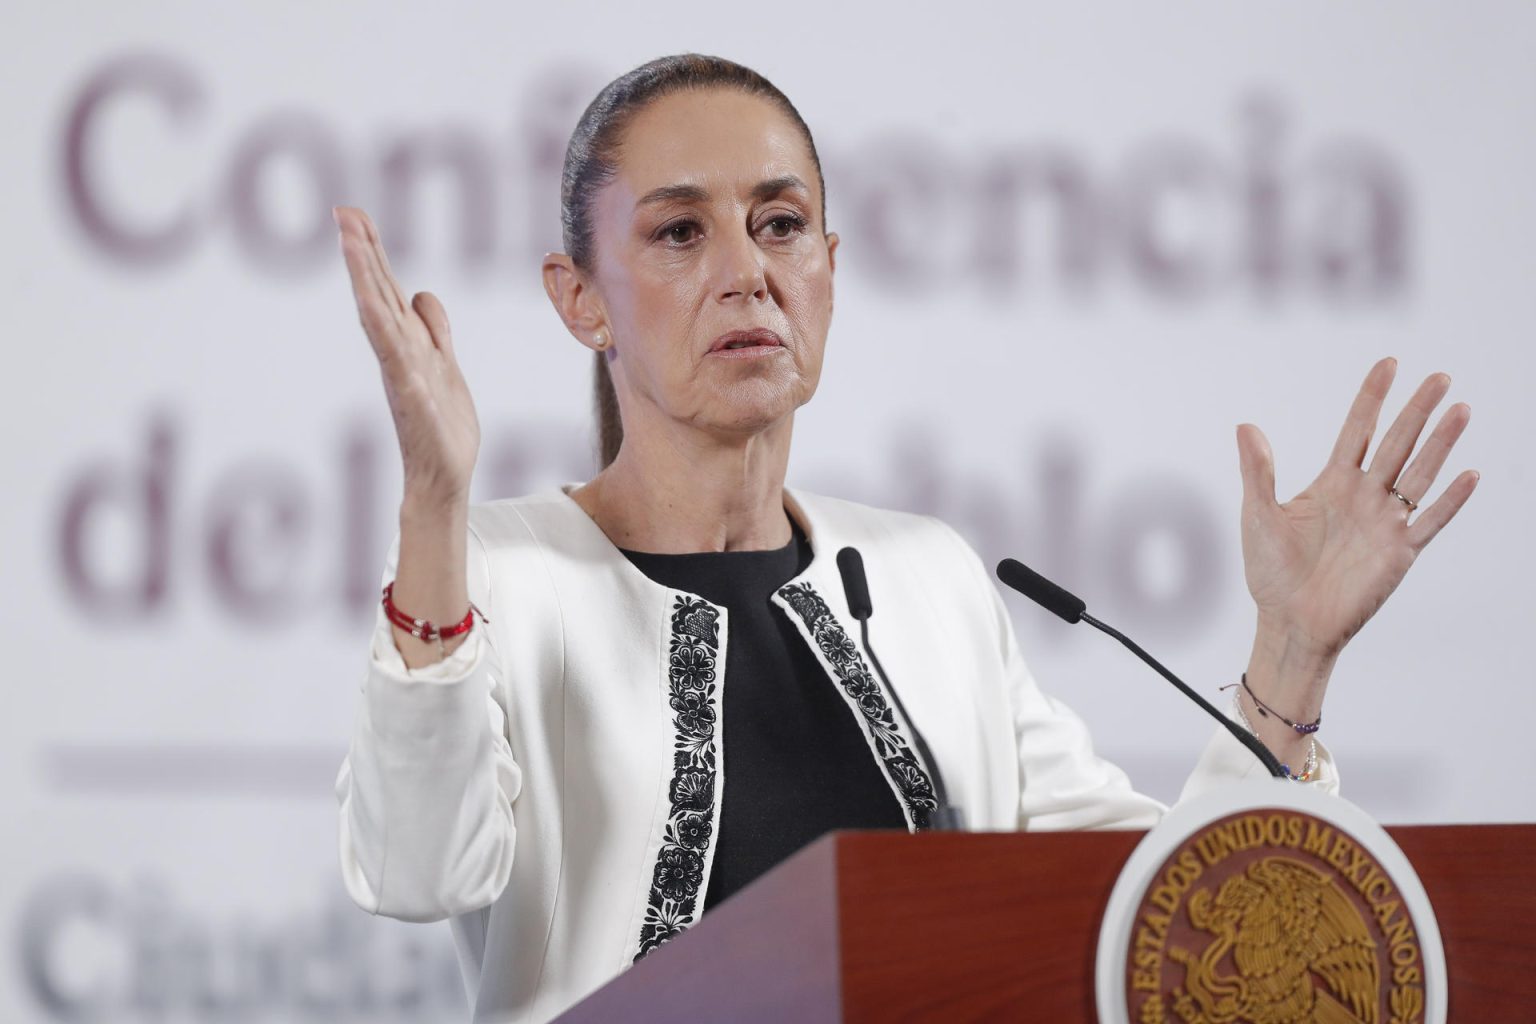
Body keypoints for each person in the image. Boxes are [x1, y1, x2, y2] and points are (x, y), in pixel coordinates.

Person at [331, 54, 1477, 1023]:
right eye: (681, 232)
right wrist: (434, 499)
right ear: (581, 299)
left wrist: (1291, 652)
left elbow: (1159, 912)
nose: (747, 273)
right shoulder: (502, 575)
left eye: (780, 223)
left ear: (829, 264)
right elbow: (417, 868)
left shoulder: (925, 580)